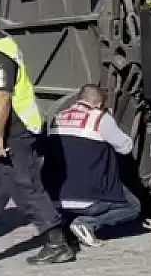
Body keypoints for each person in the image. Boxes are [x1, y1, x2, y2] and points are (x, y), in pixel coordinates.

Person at [0, 0, 75, 268]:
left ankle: (57, 242)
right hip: (1, 135)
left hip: (13, 134)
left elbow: (3, 96)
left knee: (26, 187)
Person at [42, 84, 142, 247]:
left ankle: (66, 223)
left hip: (56, 198)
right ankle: (86, 223)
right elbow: (126, 147)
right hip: (89, 198)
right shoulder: (100, 118)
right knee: (134, 206)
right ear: (99, 104)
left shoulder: (57, 117)